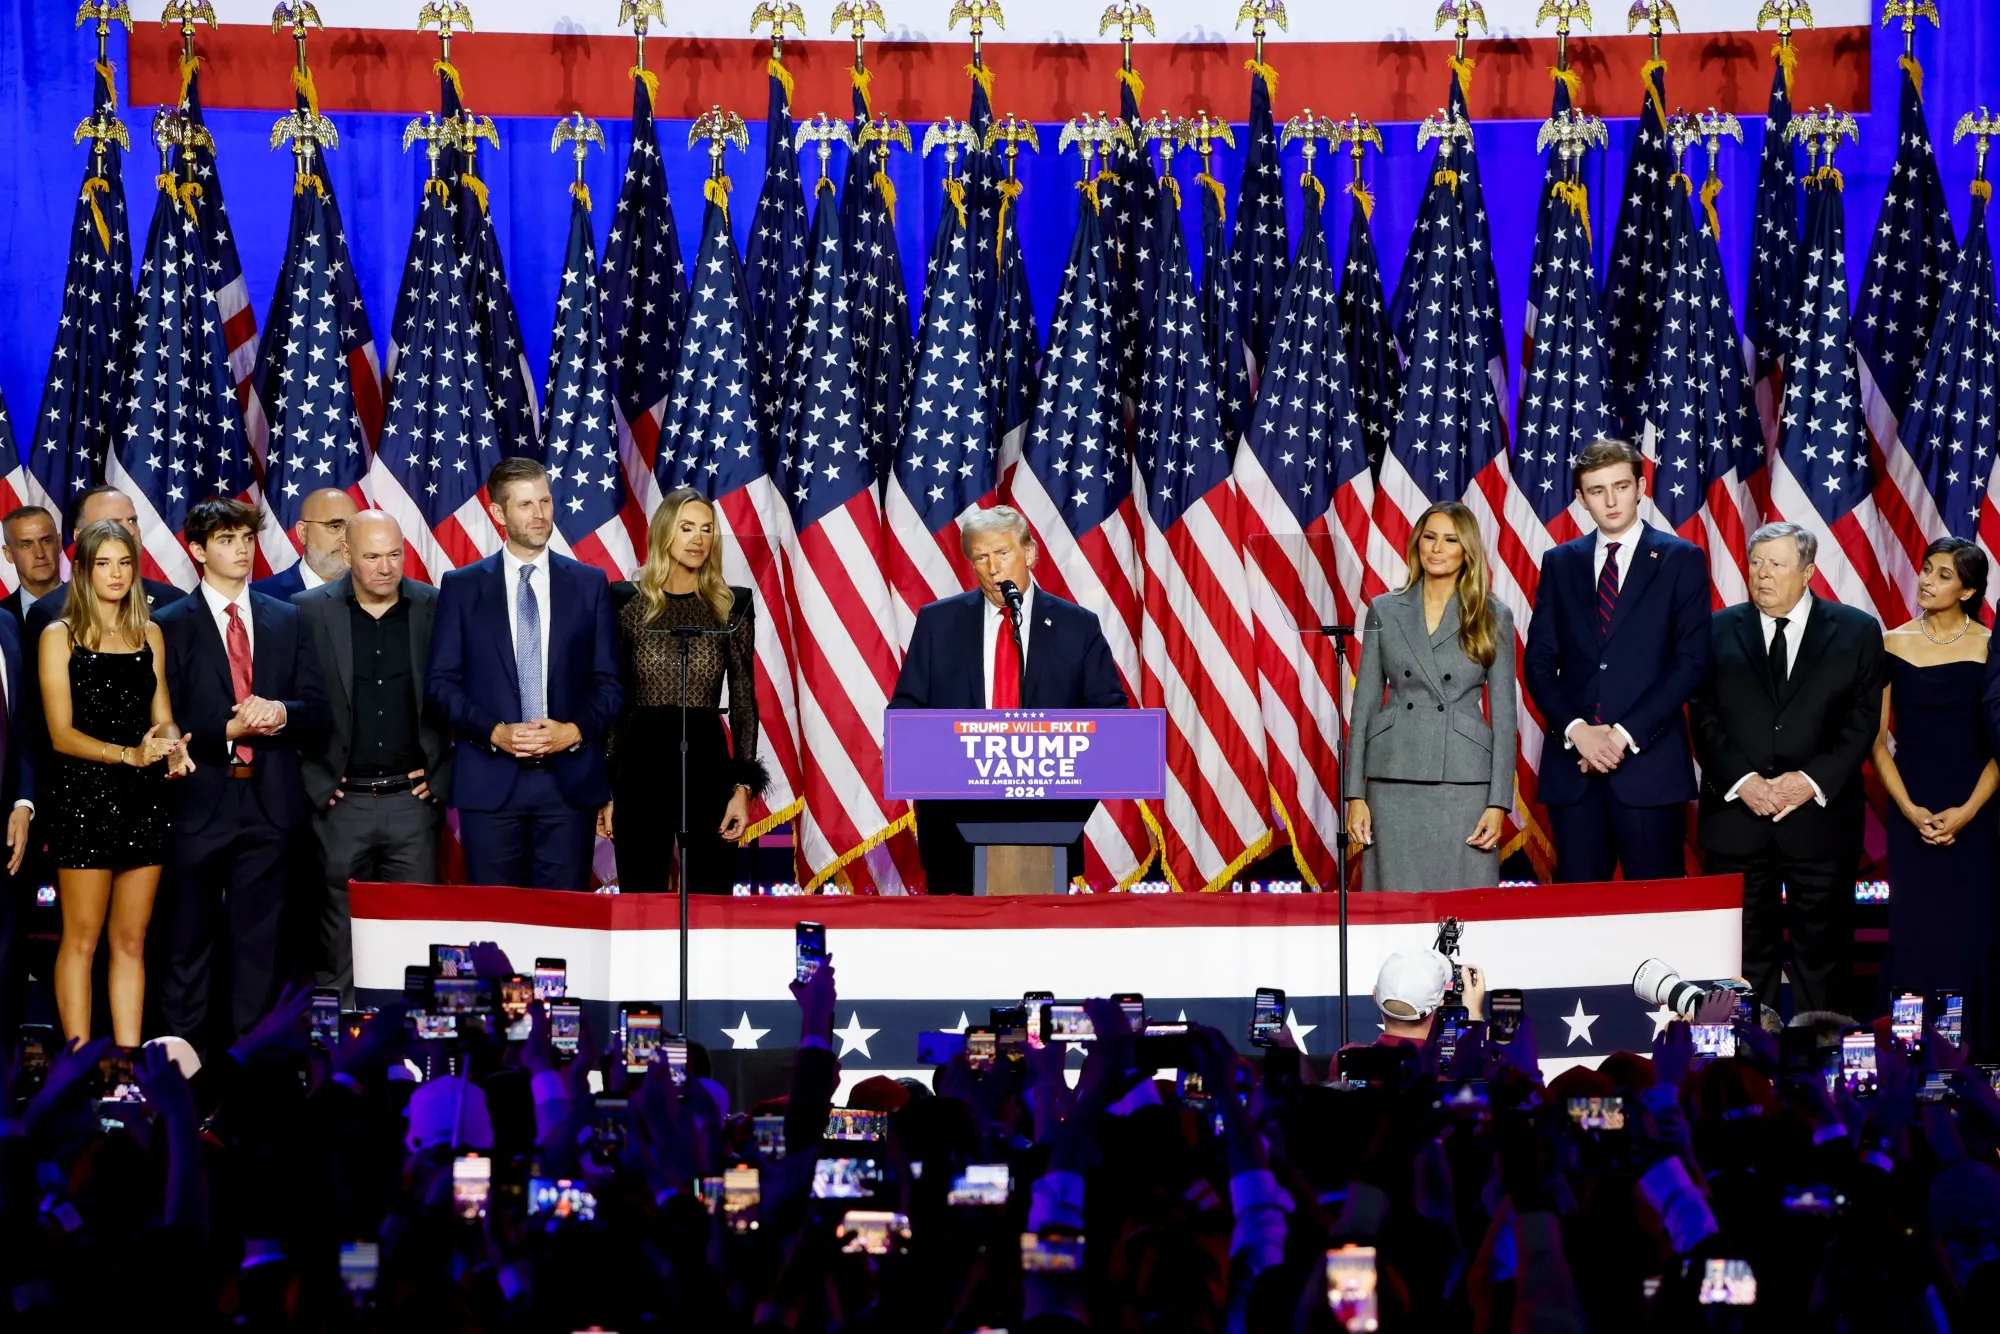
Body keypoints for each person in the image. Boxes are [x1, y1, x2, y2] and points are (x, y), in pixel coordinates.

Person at [1691, 522, 1884, 1019]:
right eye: (1756, 563)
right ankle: (1744, 1063)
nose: (1762, 575)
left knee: (1822, 956)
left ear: (1808, 572)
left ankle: (1820, 1068)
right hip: (1737, 821)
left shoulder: (1857, 630)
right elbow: (1703, 715)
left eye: (1776, 564)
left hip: (1819, 822)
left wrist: (1807, 782)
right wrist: (1744, 783)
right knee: (1739, 955)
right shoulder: (1714, 629)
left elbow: (1863, 722)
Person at [155, 498, 329, 1043]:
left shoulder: (287, 617)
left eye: (247, 540)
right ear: (198, 550)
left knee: (261, 950)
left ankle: (253, 1077)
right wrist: (226, 732)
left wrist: (279, 713)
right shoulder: (169, 625)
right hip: (198, 803)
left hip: (270, 805)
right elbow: (165, 720)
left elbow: (317, 710)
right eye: (227, 540)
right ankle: (186, 1073)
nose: (241, 550)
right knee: (188, 943)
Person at [888, 505, 1129, 894]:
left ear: (1029, 553)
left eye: (1003, 553)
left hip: (1048, 825)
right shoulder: (938, 623)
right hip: (952, 829)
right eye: (981, 557)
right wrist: (902, 740)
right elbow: (908, 704)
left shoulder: (1076, 626)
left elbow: (1111, 717)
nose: (993, 568)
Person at [427, 458, 621, 892]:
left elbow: (609, 684)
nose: (540, 515)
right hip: (490, 783)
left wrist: (572, 732)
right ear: (498, 512)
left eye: (546, 501)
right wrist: (493, 732)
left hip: (568, 785)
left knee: (563, 925)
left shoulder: (590, 584)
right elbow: (440, 684)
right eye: (526, 505)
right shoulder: (461, 587)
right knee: (495, 928)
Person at [1522, 439, 1709, 882]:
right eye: (1597, 489)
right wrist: (1578, 732)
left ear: (1641, 487)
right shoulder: (1559, 562)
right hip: (1575, 771)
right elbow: (1540, 663)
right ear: (1580, 498)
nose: (1610, 500)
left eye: (1620, 486)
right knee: (1578, 919)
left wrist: (1622, 736)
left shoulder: (1681, 558)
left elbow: (1690, 662)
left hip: (1649, 768)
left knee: (1656, 916)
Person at [37, 520, 188, 1045]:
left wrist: (174, 745)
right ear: (81, 569)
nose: (117, 573)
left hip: (144, 799)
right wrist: (130, 754)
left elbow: (162, 712)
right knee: (81, 939)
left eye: (125, 562)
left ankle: (124, 1067)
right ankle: (80, 1064)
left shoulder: (150, 633)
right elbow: (60, 734)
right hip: (83, 798)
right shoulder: (59, 636)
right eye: (104, 563)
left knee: (131, 940)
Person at [292, 511, 452, 1001]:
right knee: (338, 936)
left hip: (412, 801)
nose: (386, 567)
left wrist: (441, 777)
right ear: (346, 558)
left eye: (394, 554)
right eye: (372, 556)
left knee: (418, 933)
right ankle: (338, 1052)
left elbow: (459, 694)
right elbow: (294, 699)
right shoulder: (307, 611)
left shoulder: (434, 607)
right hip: (343, 802)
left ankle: (414, 1049)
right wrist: (319, 783)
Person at [1345, 501, 1518, 892]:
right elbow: (1365, 706)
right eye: (1429, 537)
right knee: (1393, 905)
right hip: (1393, 780)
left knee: (1462, 909)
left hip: (1463, 781)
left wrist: (1498, 802)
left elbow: (1506, 718)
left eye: (1450, 540)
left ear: (1467, 550)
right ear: (1416, 543)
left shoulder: (1492, 614)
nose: (1437, 549)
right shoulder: (1384, 610)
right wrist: (1355, 793)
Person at [601, 490, 765, 895]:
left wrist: (742, 789)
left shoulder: (732, 605)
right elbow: (614, 699)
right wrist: (606, 787)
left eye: (706, 529)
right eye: (686, 527)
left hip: (707, 760)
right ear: (664, 534)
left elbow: (744, 698)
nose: (698, 538)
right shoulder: (625, 602)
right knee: (641, 894)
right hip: (640, 762)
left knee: (712, 896)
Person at [1875, 537, 1997, 1031]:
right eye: (1926, 569)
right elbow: (1877, 742)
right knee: (1916, 930)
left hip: (1978, 803)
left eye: (1943, 575)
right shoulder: (1891, 642)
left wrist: (1967, 811)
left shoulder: (1991, 646)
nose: (1926, 580)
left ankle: (1971, 1049)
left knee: (1970, 930)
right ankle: (1911, 1045)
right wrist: (1908, 809)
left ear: (1967, 590)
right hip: (1912, 804)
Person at [251, 486, 359, 601]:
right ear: (303, 532)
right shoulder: (259, 596)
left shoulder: (374, 591)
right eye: (335, 526)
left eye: (353, 528)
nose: (346, 538)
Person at [0, 504, 62, 624]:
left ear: (59, 543)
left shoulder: (92, 605)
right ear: (9, 554)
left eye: (46, 541)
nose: (40, 554)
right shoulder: (2, 617)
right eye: (26, 545)